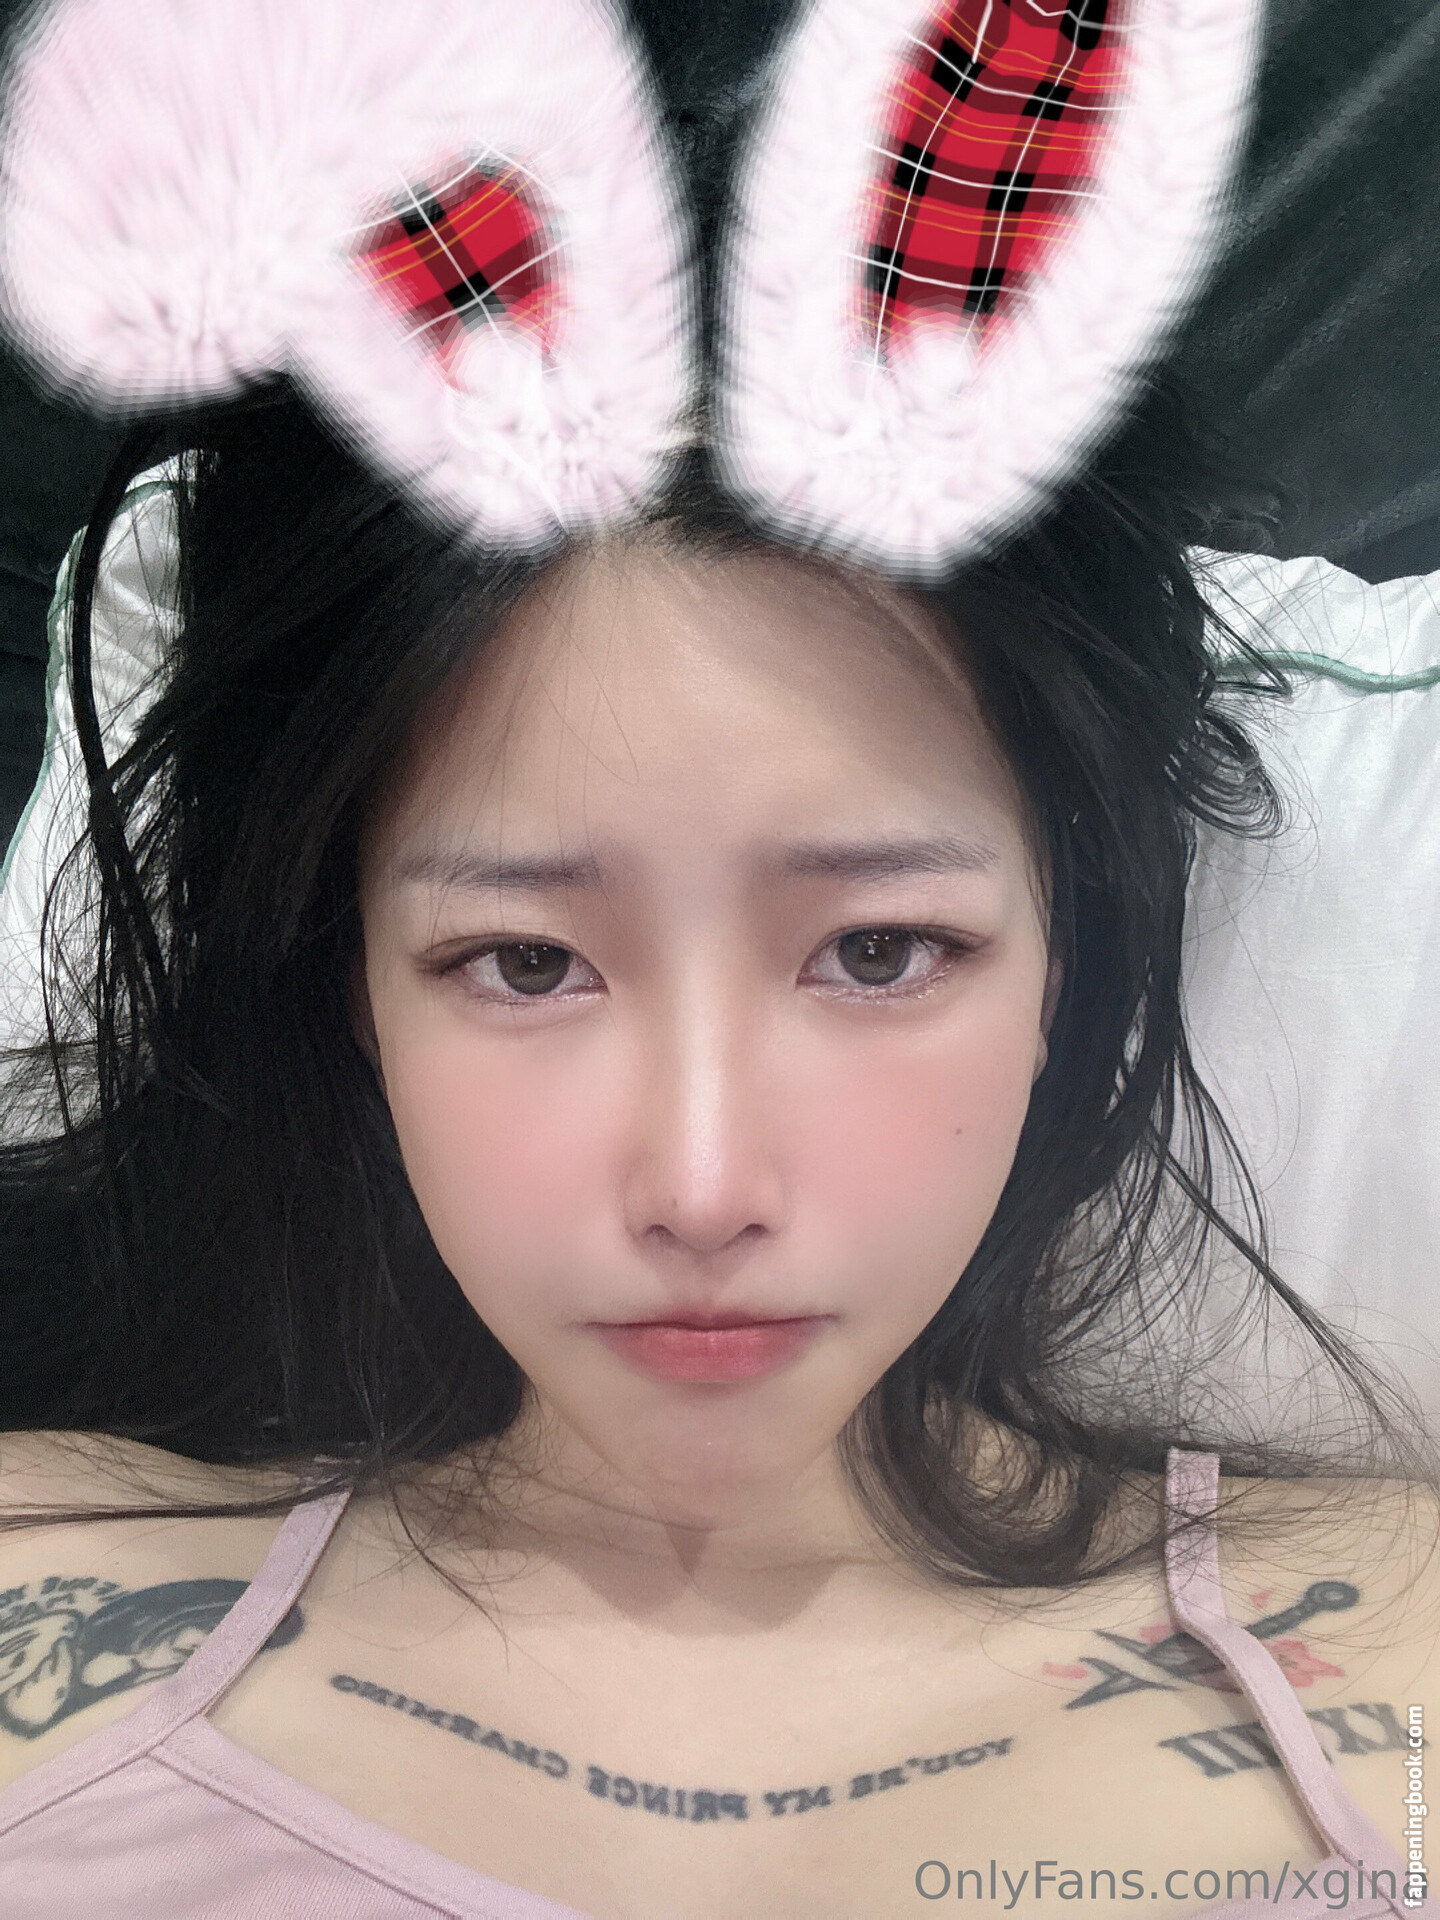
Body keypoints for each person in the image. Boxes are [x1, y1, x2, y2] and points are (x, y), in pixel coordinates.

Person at [0, 0, 1435, 1913]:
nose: (700, 1185)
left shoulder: (1405, 1652)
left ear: (1068, 963)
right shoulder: (40, 1569)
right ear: (350, 985)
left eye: (879, 951)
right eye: (524, 965)